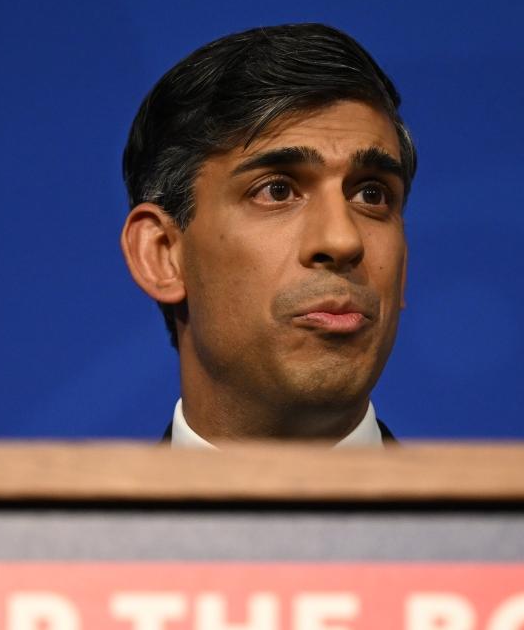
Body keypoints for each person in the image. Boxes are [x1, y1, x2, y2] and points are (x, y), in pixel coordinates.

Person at [119, 23, 417, 448]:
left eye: (372, 195)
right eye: (277, 191)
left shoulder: (504, 496)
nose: (343, 240)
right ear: (162, 254)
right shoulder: (44, 494)